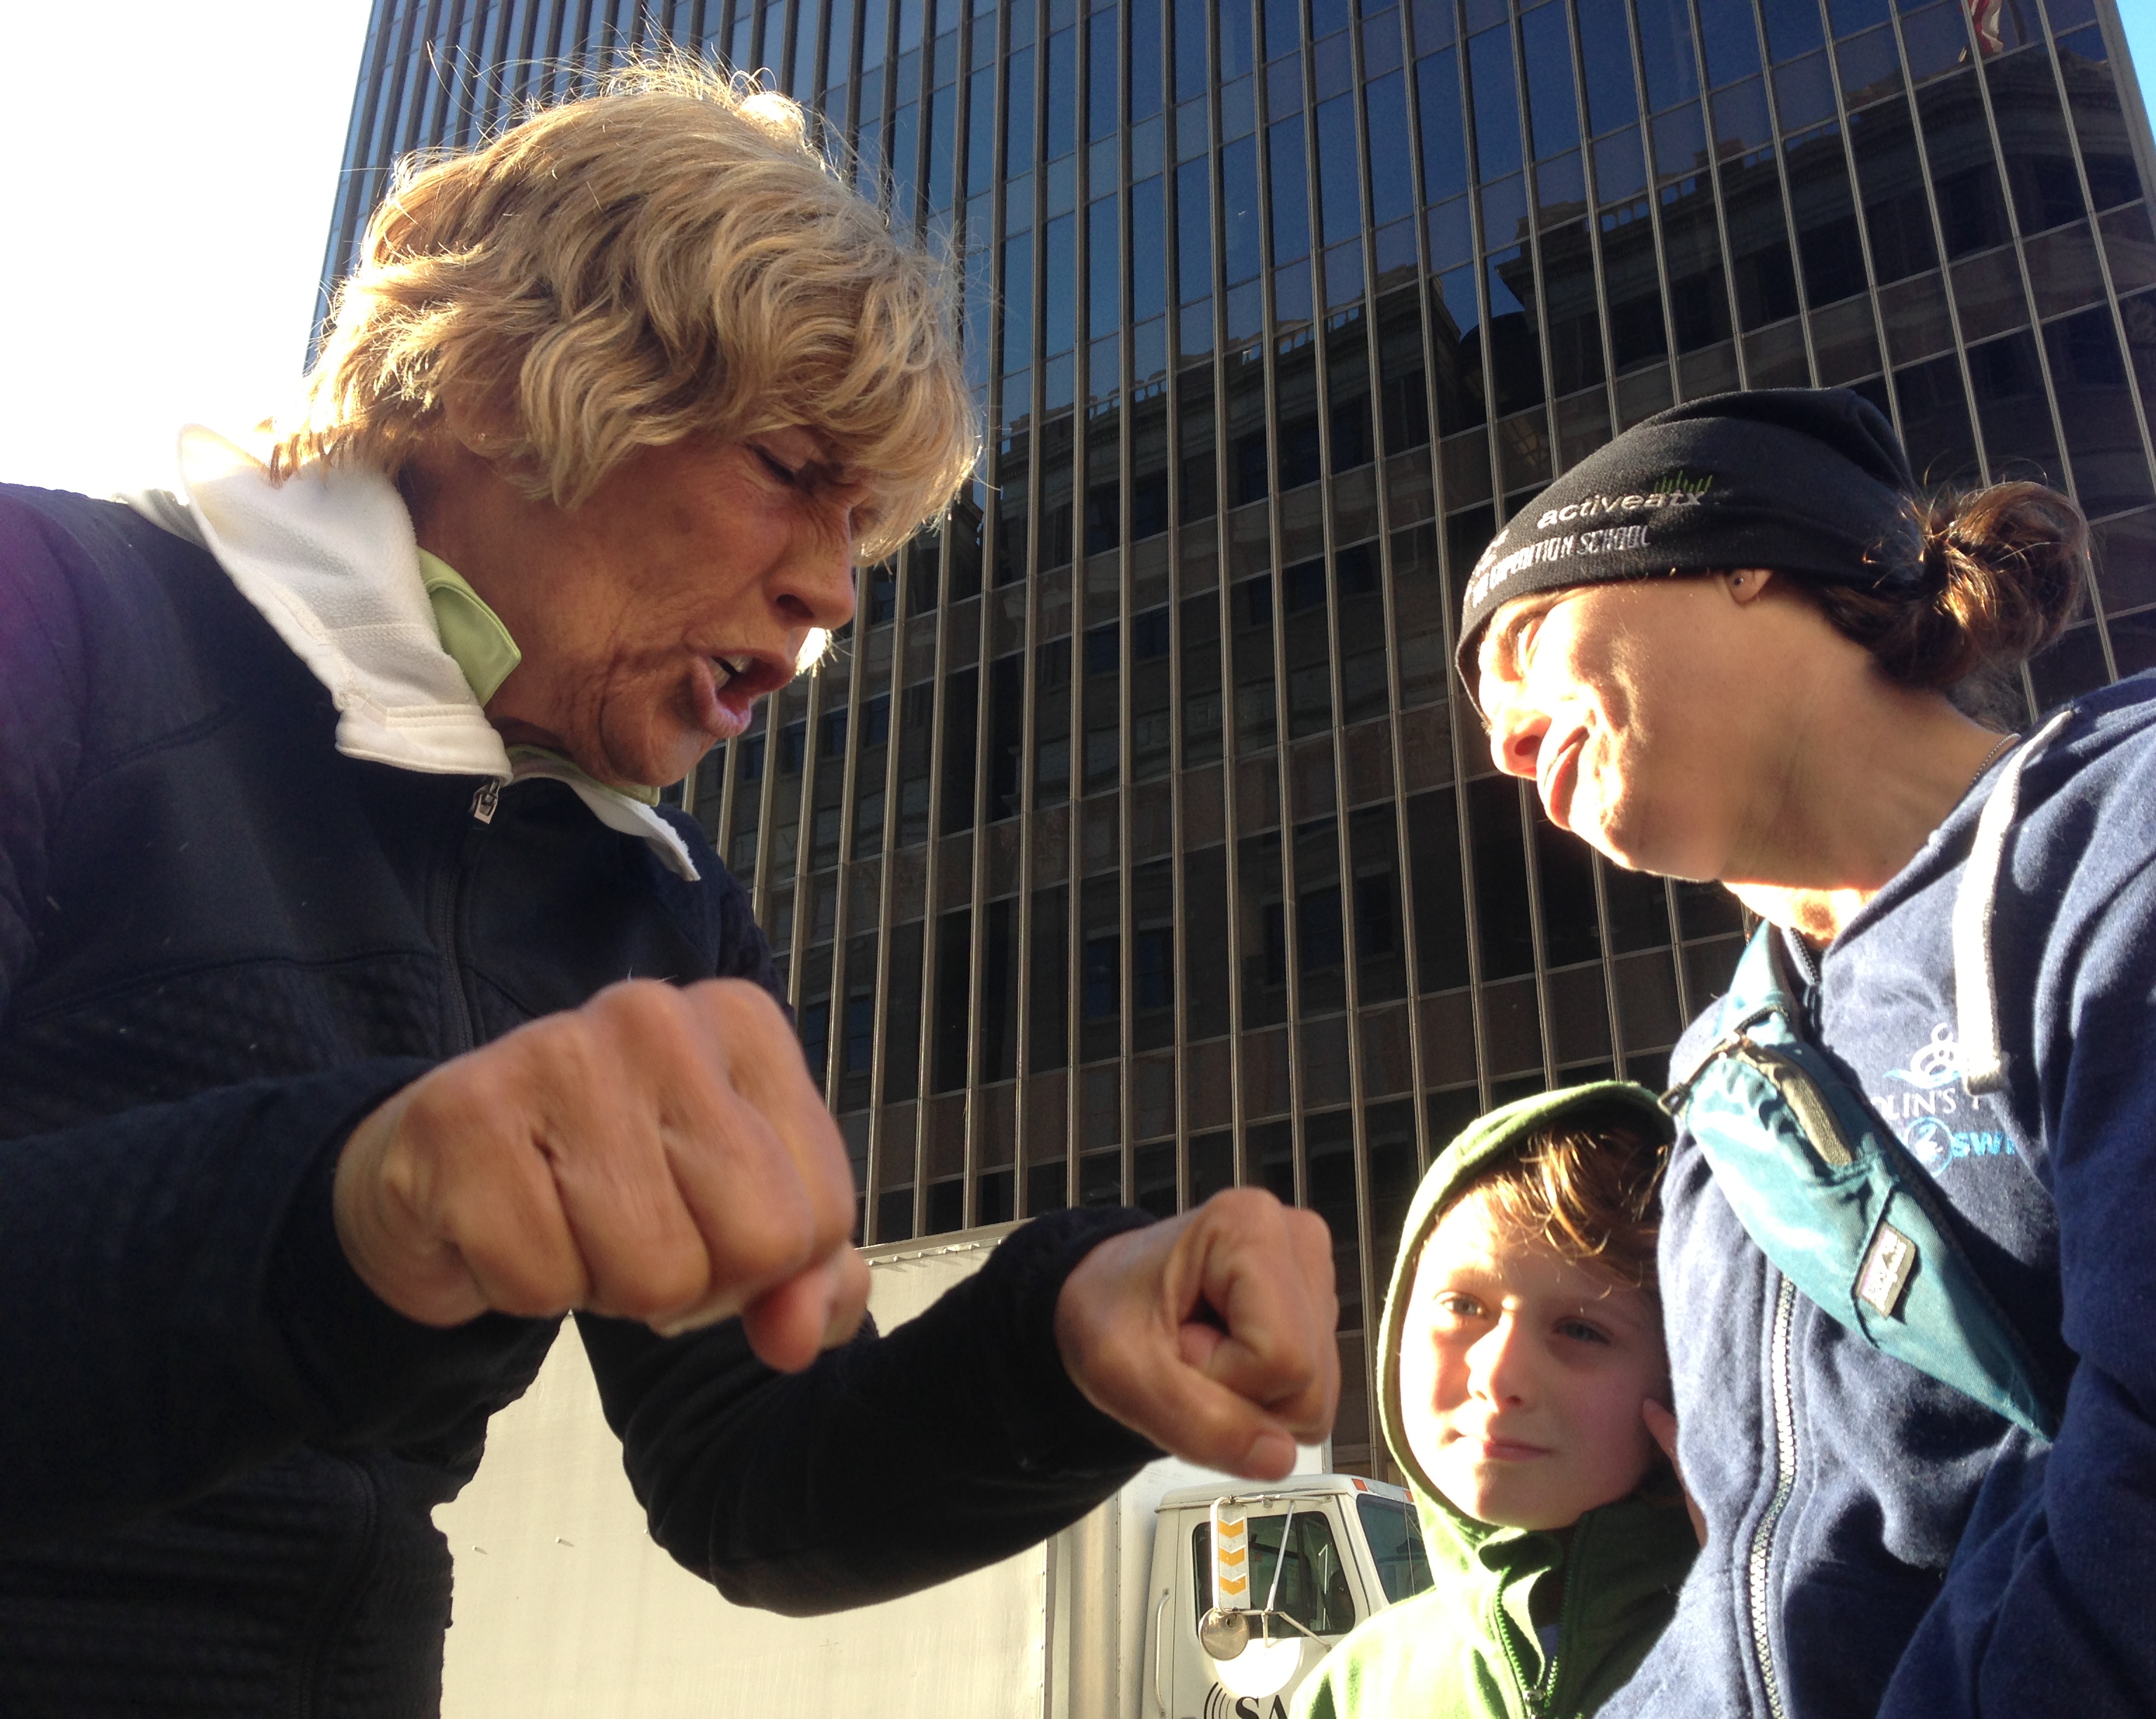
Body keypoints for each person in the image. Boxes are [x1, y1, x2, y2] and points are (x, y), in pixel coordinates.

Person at [0, 63, 1337, 1716]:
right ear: (498, 379)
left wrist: (1064, 1339)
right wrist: (354, 1204)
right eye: (789, 465)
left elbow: (761, 1476)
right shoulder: (48, 611)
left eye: (865, 525)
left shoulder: (661, 900)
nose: (834, 590)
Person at [1458, 387, 2156, 1718]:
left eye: (1527, 641)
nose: (1501, 745)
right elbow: (1754, 1605)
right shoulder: (1713, 1123)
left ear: (1741, 557)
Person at [1292, 1083, 1698, 1719]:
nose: (1500, 1373)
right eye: (1463, 1306)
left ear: (1682, 1375)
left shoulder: (1778, 1648)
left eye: (1581, 1329)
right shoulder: (1354, 1686)